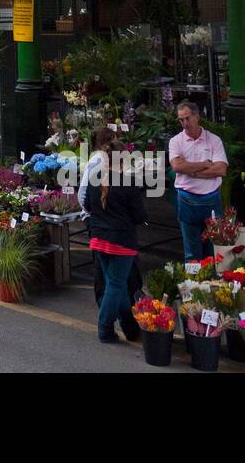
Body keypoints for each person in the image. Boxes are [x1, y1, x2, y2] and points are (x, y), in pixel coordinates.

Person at [84, 127, 147, 343]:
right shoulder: (128, 184)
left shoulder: (95, 180)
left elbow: (86, 204)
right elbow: (140, 216)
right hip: (121, 241)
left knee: (115, 284)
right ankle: (104, 329)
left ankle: (129, 326)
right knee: (116, 286)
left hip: (99, 238)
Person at [167, 101, 228, 261]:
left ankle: (213, 283)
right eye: (181, 120)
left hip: (211, 199)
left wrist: (193, 172)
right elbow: (177, 166)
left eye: (187, 118)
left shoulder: (214, 140)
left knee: (214, 248)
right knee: (191, 251)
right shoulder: (175, 141)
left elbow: (221, 170)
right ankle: (193, 283)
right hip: (187, 199)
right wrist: (205, 164)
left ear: (197, 117)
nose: (184, 123)